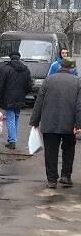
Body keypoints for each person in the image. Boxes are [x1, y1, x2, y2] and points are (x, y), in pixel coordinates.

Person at [30, 58, 81, 188]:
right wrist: (78, 125)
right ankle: (66, 176)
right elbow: (79, 106)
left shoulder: (49, 80)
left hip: (49, 122)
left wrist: (35, 121)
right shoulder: (77, 82)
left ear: (60, 66)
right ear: (73, 68)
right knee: (68, 150)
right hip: (69, 124)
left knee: (50, 151)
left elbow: (39, 102)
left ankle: (52, 180)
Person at [0, 51, 33, 150]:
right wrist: (24, 94)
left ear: (10, 58)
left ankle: (12, 141)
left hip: (8, 99)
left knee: (10, 119)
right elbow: (29, 86)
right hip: (20, 98)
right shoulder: (25, 70)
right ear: (19, 58)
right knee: (15, 118)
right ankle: (13, 139)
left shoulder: (5, 69)